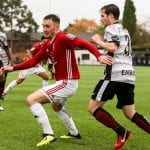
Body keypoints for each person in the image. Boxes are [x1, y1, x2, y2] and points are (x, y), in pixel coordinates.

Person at [2, 14, 112, 147]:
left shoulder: (63, 37)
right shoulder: (48, 44)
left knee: (31, 99)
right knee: (56, 106)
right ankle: (74, 132)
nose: (45, 29)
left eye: (48, 26)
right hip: (64, 83)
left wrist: (99, 56)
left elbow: (85, 43)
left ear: (56, 27)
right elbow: (33, 61)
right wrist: (12, 67)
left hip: (67, 82)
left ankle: (48, 134)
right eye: (43, 26)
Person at [88, 4, 150, 150]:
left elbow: (113, 47)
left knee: (92, 107)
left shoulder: (111, 28)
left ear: (111, 16)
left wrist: (97, 41)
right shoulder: (123, 29)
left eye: (102, 15)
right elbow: (118, 50)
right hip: (128, 76)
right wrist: (105, 57)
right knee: (130, 113)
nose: (101, 19)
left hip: (114, 76)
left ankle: (122, 132)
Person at [0, 31, 13, 110]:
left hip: (1, 61)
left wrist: (11, 60)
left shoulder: (2, 35)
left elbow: (6, 48)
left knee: (2, 79)